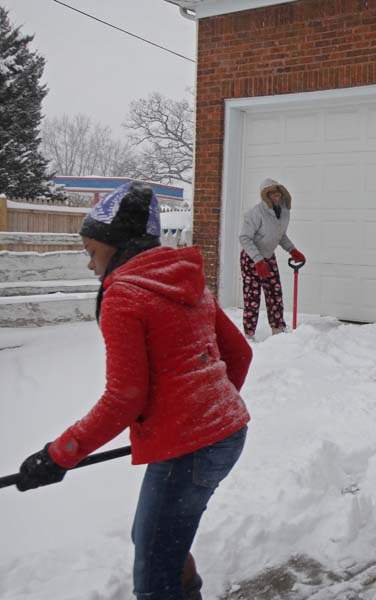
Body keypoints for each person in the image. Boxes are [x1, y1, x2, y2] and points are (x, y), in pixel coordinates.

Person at [14, 182, 253, 599]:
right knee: (159, 541)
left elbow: (124, 398)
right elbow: (239, 355)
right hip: (228, 435)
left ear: (119, 245)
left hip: (194, 447)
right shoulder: (186, 280)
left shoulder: (125, 295)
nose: (90, 265)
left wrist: (59, 455)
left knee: (154, 571)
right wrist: (202, 414)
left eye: (92, 251)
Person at [238, 178, 306, 339]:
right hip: (251, 259)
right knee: (252, 297)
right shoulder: (255, 213)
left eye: (278, 194)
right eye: (272, 194)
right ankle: (248, 333)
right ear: (266, 196)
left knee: (275, 293)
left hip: (268, 257)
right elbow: (244, 238)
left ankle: (278, 329)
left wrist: (292, 250)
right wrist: (258, 260)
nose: (276, 197)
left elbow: (280, 235)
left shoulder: (283, 212)